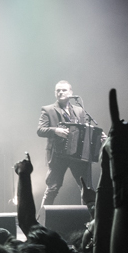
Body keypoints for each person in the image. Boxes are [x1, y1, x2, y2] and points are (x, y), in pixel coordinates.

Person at [37, 80, 92, 208]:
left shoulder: (79, 110)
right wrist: (56, 130)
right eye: (58, 90)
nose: (61, 92)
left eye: (64, 90)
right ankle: (42, 220)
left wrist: (97, 135)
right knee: (52, 188)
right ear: (55, 93)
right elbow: (40, 130)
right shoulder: (48, 109)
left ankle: (89, 219)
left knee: (86, 187)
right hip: (57, 155)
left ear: (71, 93)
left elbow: (85, 129)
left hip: (77, 155)